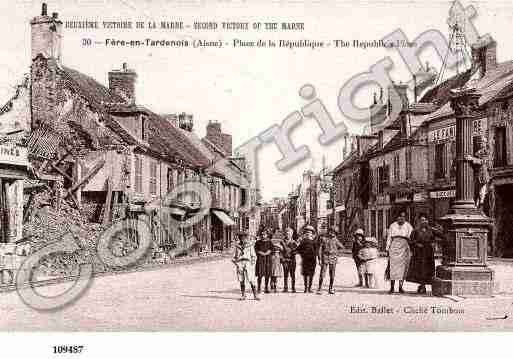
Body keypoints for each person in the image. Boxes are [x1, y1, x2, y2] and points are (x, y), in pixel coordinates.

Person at [407, 214, 444, 294]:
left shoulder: (431, 230)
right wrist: (416, 244)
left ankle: (424, 285)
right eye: (422, 220)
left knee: (428, 269)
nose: (424, 222)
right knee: (420, 269)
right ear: (419, 221)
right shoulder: (415, 231)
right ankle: (422, 285)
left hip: (428, 253)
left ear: (427, 221)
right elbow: (410, 241)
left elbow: (440, 235)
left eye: (425, 220)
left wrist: (435, 242)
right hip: (419, 253)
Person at [386, 211, 413, 294]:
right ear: (396, 217)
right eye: (399, 216)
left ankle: (400, 287)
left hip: (404, 247)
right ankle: (392, 287)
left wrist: (411, 248)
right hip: (394, 247)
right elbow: (389, 238)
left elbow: (411, 237)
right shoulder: (392, 226)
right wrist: (387, 248)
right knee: (393, 267)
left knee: (403, 268)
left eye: (403, 216)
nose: (401, 218)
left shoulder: (408, 226)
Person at [232, 232, 260, 301]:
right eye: (241, 238)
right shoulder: (237, 246)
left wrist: (252, 263)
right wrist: (236, 263)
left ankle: (255, 295)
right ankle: (243, 295)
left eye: (244, 238)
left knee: (251, 279)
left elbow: (254, 256)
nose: (243, 240)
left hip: (248, 263)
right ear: (239, 238)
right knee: (241, 279)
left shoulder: (250, 246)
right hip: (240, 263)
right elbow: (234, 256)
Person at [317, 227, 344, 294]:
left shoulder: (335, 240)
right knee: (322, 274)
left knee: (332, 274)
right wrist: (320, 259)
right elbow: (319, 249)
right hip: (325, 257)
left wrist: (336, 252)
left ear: (335, 233)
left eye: (334, 232)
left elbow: (342, 247)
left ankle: (330, 288)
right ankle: (320, 288)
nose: (332, 233)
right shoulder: (323, 239)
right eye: (331, 231)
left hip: (333, 258)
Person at [296, 225, 317, 293]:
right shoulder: (303, 242)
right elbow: (298, 249)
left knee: (311, 273)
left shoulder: (314, 242)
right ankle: (306, 288)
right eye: (307, 232)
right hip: (305, 260)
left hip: (312, 260)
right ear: (305, 234)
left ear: (312, 234)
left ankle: (310, 288)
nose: (308, 233)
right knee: (306, 274)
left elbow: (317, 250)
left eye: (310, 232)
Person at [254, 229, 273, 293]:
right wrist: (260, 252)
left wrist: (269, 251)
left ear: (267, 235)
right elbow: (255, 249)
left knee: (267, 274)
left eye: (264, 234)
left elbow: (272, 249)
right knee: (260, 274)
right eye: (262, 234)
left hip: (268, 260)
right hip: (260, 260)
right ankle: (259, 287)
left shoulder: (269, 242)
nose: (263, 236)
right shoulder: (258, 242)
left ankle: (266, 287)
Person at [281, 227, 299, 292]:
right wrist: (282, 258)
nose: (288, 235)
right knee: (285, 274)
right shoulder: (282, 242)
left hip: (292, 260)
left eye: (289, 233)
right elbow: (280, 251)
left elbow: (298, 250)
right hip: (285, 260)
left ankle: (293, 288)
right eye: (287, 233)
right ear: (285, 234)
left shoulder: (294, 242)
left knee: (292, 274)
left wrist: (294, 251)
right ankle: (285, 287)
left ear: (292, 234)